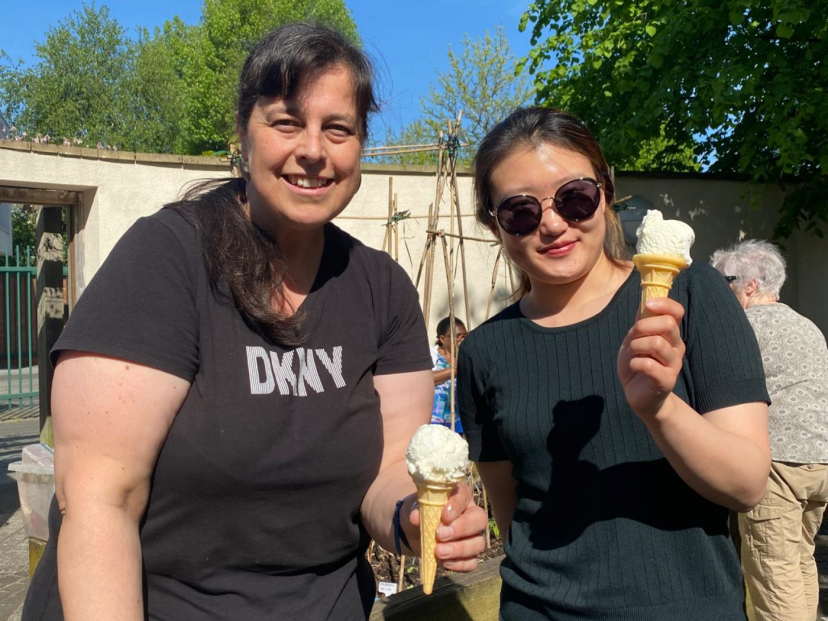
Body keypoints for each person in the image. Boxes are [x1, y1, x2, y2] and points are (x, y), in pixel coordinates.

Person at [22, 23, 486, 621]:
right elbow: (98, 501)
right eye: (286, 121)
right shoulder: (165, 261)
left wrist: (414, 517)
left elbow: (389, 470)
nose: (313, 150)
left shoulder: (382, 289)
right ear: (244, 132)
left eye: (338, 128)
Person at [457, 107, 772, 621]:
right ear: (495, 225)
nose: (553, 224)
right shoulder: (484, 352)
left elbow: (747, 484)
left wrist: (660, 409)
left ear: (605, 192)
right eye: (520, 211)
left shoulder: (690, 296)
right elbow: (517, 517)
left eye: (574, 197)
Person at [711, 240, 828, 621]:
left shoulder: (743, 327)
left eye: (723, 280)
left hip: (777, 462)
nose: (718, 290)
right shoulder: (806, 324)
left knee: (772, 573)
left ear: (749, 285)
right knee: (799, 559)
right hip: (819, 461)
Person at [430, 316, 467, 433]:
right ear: (442, 338)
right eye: (458, 336)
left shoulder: (465, 357)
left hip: (457, 419)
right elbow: (426, 379)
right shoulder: (431, 355)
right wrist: (454, 371)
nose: (462, 339)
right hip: (434, 419)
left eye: (465, 336)